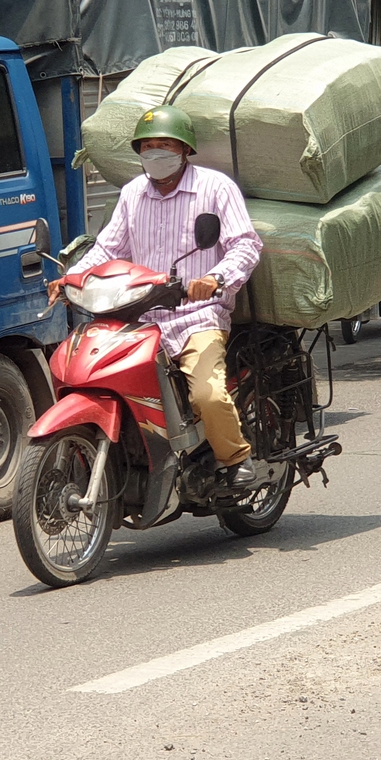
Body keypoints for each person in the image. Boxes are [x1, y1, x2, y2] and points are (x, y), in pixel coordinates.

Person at [50, 105, 265, 487]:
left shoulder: (215, 188)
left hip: (197, 316)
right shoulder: (132, 193)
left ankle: (235, 459)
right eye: (148, 146)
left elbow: (246, 245)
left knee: (208, 393)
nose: (155, 154)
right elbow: (108, 248)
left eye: (165, 145)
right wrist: (71, 278)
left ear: (185, 150)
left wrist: (215, 278)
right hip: (140, 319)